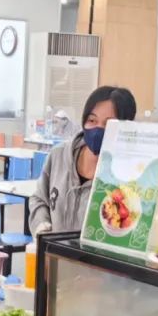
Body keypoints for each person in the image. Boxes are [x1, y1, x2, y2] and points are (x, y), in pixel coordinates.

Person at [30, 86, 138, 234]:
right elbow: (39, 199)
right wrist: (42, 227)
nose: (98, 129)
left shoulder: (128, 174)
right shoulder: (58, 156)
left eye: (109, 124)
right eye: (92, 120)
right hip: (52, 254)